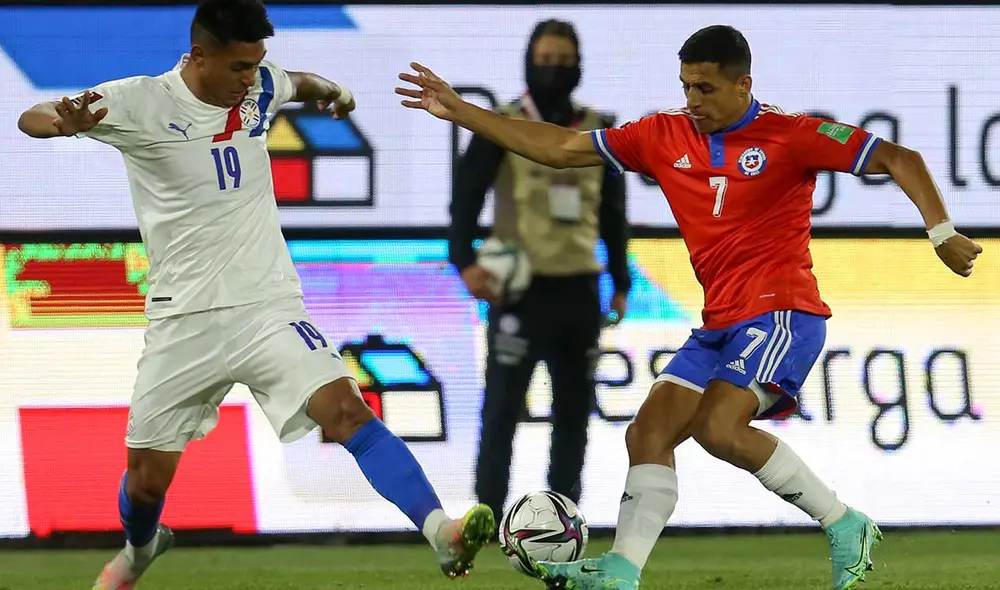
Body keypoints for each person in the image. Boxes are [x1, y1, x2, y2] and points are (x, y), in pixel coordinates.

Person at [396, 24, 982, 590]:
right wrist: (461, 110)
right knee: (648, 432)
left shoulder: (794, 134)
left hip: (782, 313)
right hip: (721, 323)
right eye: (685, 86)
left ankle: (846, 524)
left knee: (717, 427)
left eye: (705, 88)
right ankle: (620, 572)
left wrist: (941, 232)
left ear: (743, 85)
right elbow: (564, 147)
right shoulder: (663, 134)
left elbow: (901, 158)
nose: (692, 100)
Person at [17, 1, 494, 588]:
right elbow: (33, 118)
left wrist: (336, 92)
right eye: (240, 66)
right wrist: (63, 117)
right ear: (198, 57)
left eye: (257, 65)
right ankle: (139, 551)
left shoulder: (260, 87)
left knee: (347, 410)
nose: (251, 78)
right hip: (182, 322)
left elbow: (299, 84)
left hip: (268, 306)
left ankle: (440, 531)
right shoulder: (140, 100)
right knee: (145, 482)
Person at [449, 19, 631, 529]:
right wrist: (463, 260)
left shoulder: (600, 128)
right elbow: (466, 196)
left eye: (563, 61)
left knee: (573, 416)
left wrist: (621, 280)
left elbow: (614, 212)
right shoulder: (503, 124)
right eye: (545, 60)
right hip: (519, 290)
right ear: (529, 64)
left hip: (579, 288)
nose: (554, 70)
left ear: (579, 66)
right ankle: (486, 515)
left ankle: (562, 520)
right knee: (503, 410)